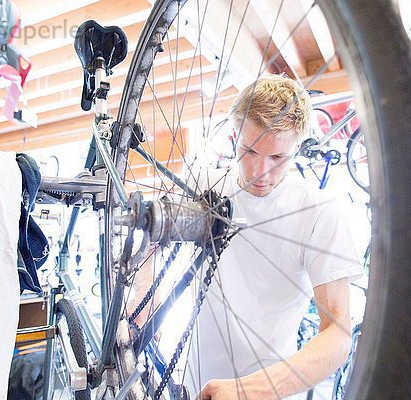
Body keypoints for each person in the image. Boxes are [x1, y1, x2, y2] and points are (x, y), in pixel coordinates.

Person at [132, 74, 363, 400]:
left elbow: (338, 333)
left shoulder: (319, 212)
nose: (259, 171)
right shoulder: (205, 184)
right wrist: (145, 293)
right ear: (233, 135)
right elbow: (153, 234)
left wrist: (250, 390)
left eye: (277, 158)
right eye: (249, 150)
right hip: (190, 383)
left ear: (297, 146)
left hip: (269, 392)